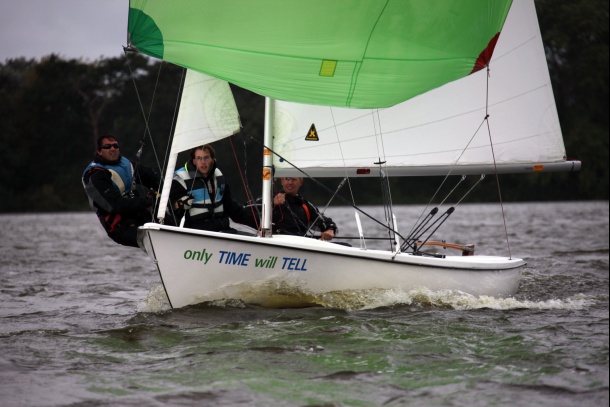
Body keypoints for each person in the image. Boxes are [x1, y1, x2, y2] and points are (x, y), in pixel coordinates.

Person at [82, 135, 161, 248]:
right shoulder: (95, 175)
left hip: (140, 214)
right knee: (156, 239)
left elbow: (151, 177)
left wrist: (171, 188)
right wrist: (148, 200)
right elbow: (117, 205)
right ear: (99, 151)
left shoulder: (126, 164)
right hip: (120, 227)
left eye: (115, 146)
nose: (112, 149)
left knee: (174, 225)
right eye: (107, 146)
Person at [169, 144, 246, 233]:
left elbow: (231, 207)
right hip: (196, 234)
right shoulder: (181, 179)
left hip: (223, 231)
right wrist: (179, 205)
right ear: (194, 161)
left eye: (206, 158)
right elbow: (168, 207)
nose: (203, 162)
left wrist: (257, 222)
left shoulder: (218, 177)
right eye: (199, 158)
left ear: (212, 160)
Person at [271, 177, 338, 241]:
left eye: (294, 179)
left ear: (301, 182)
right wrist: (273, 204)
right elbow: (260, 214)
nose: (290, 182)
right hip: (275, 242)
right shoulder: (268, 200)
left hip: (301, 245)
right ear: (282, 181)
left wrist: (330, 230)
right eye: (287, 179)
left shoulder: (306, 205)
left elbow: (326, 222)